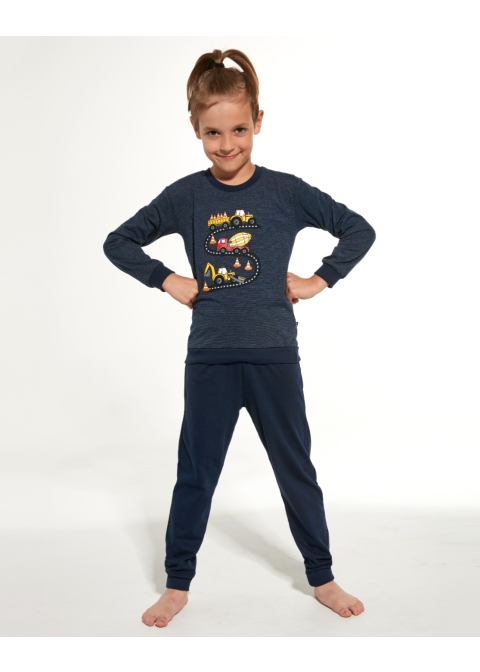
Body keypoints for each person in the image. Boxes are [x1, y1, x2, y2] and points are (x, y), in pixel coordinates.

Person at [103, 48, 376, 628]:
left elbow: (358, 229)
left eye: (238, 130)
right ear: (195, 129)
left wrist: (319, 280)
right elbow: (118, 241)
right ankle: (178, 583)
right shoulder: (186, 196)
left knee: (295, 469)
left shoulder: (285, 192)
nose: (226, 145)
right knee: (196, 473)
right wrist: (167, 278)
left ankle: (322, 576)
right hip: (210, 360)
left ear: (258, 121)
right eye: (213, 133)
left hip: (275, 357)